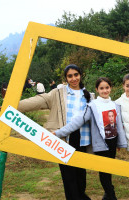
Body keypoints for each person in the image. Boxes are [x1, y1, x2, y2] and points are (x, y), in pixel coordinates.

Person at [18, 64, 92, 200]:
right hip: (64, 139)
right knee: (69, 178)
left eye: (76, 75)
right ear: (66, 78)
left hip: (83, 139)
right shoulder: (57, 94)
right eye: (70, 76)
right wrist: (12, 105)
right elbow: (38, 101)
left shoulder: (90, 95)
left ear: (81, 75)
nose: (74, 78)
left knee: (81, 176)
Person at [53, 77, 127, 200]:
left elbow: (119, 126)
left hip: (113, 142)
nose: (104, 91)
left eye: (107, 88)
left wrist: (120, 142)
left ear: (111, 88)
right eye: (101, 88)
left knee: (109, 170)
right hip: (101, 144)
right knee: (104, 171)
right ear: (97, 90)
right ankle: (111, 195)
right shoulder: (92, 106)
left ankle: (108, 195)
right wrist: (59, 133)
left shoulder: (115, 105)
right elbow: (78, 121)